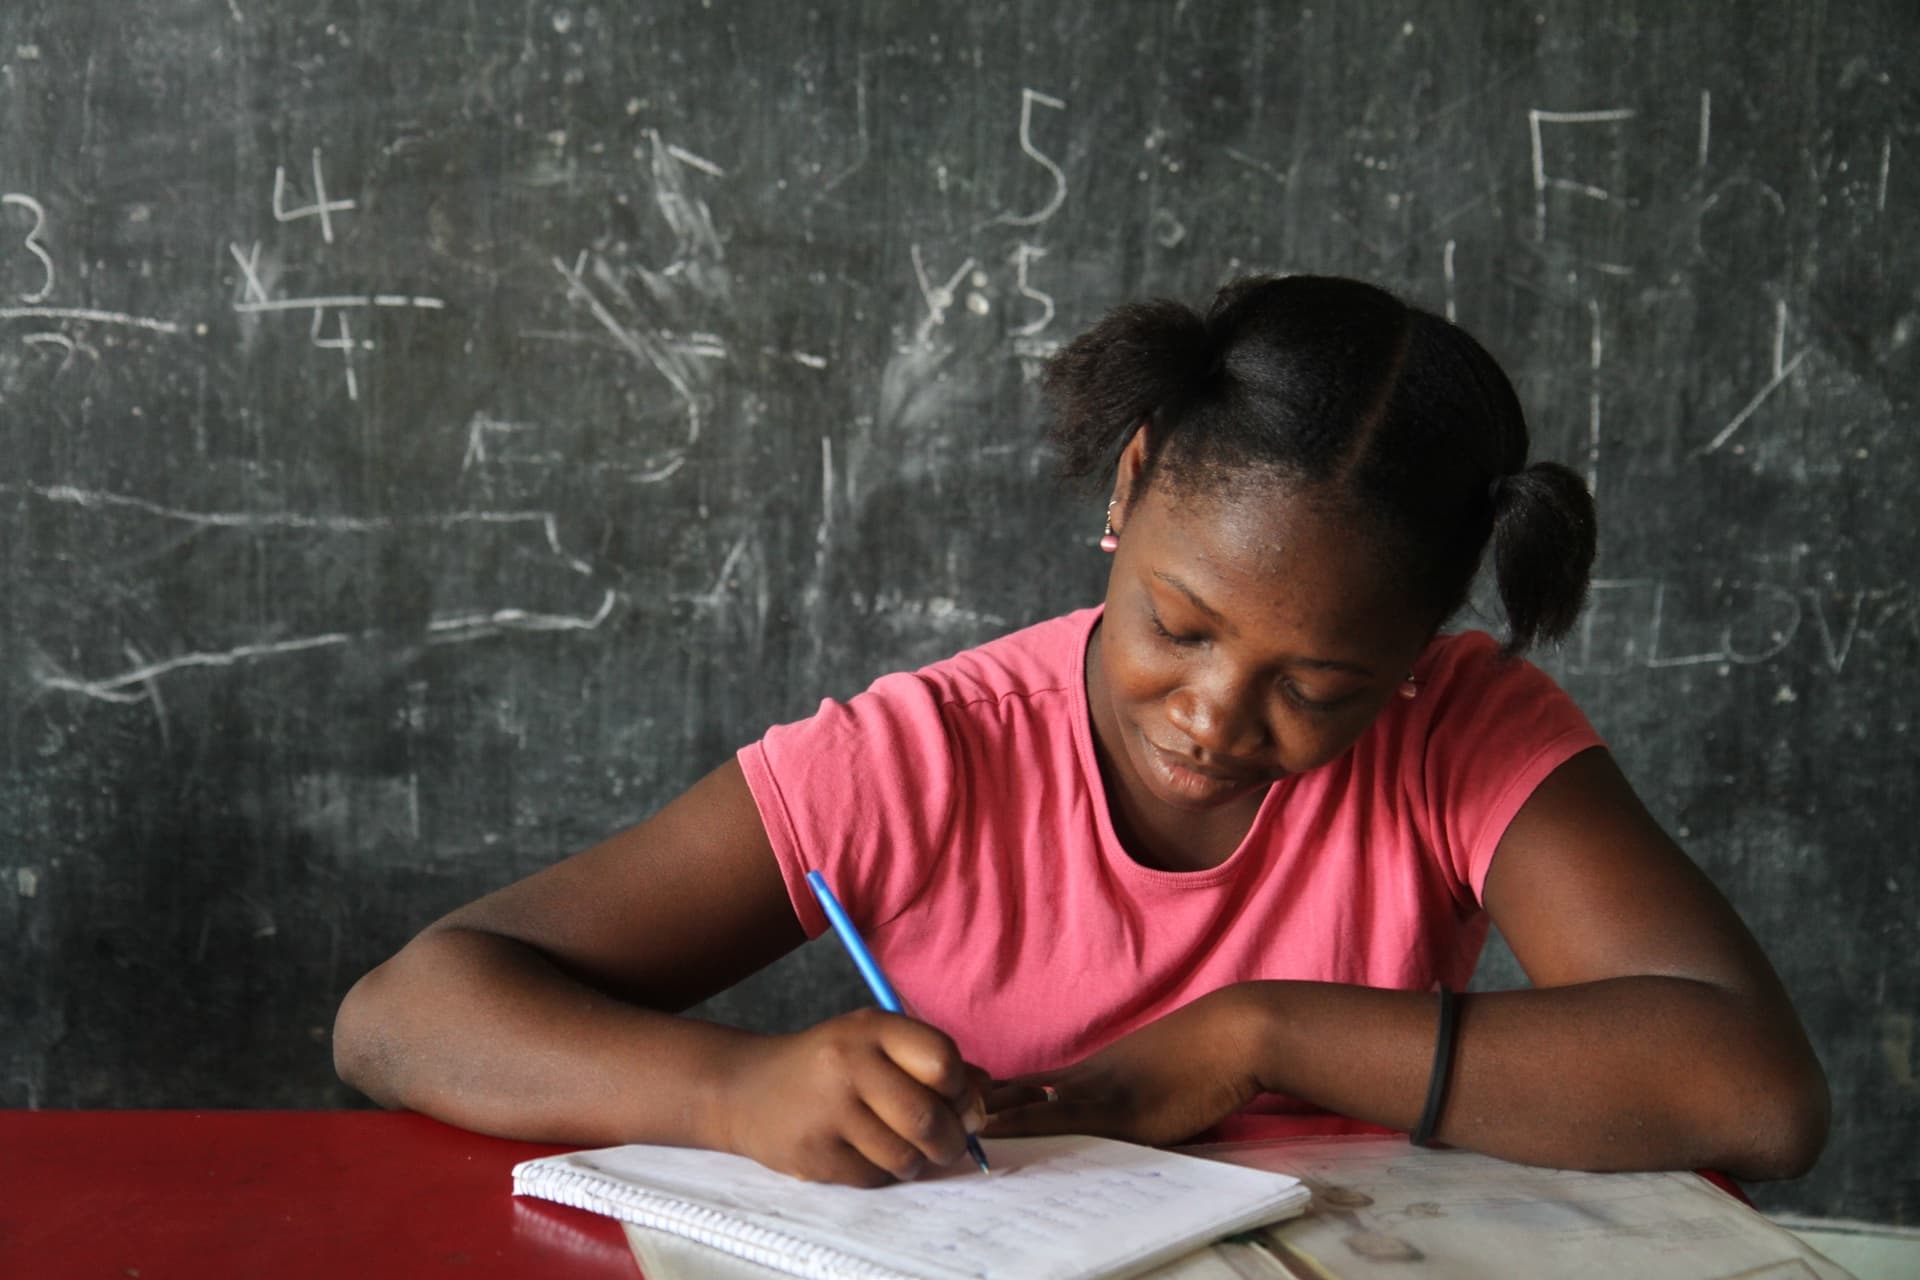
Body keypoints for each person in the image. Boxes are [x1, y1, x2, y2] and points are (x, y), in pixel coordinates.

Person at [333, 274, 1828, 1189]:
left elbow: (1755, 1092)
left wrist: (1256, 1035)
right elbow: (404, 1014)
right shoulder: (926, 759)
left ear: (1421, 649)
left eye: (1320, 687)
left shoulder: (1460, 730)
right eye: (1179, 624)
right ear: (1128, 488)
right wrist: (731, 1091)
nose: (1214, 717)